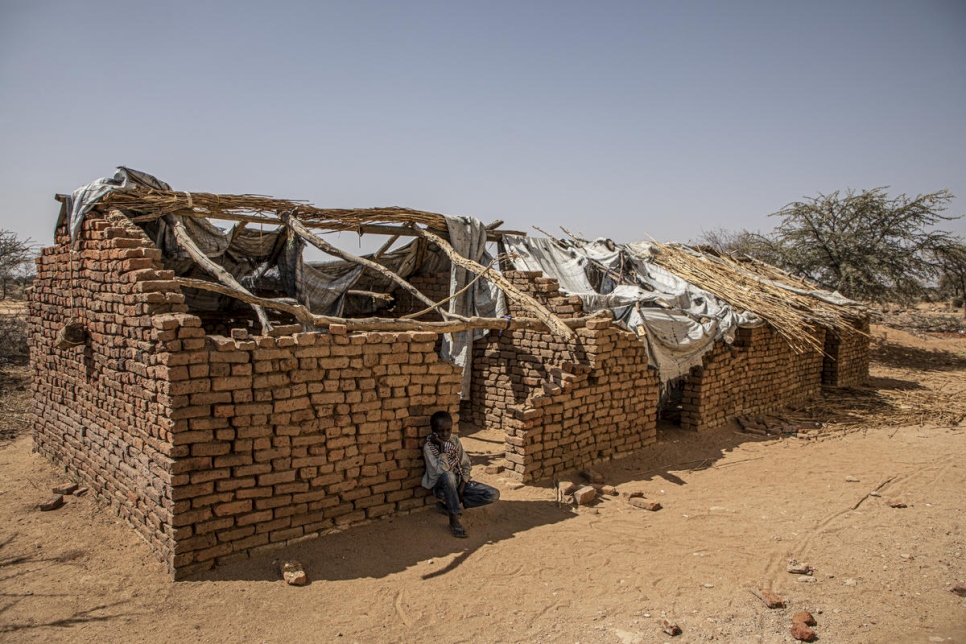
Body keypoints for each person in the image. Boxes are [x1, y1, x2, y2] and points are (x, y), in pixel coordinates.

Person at [421, 410, 500, 538]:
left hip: (458, 482)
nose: (445, 434)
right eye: (441, 431)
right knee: (448, 476)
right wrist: (442, 446)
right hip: (441, 487)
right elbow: (442, 470)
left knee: (493, 494)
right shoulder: (429, 448)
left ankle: (452, 504)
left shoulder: (454, 441)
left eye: (448, 430)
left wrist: (462, 486)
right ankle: (454, 518)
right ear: (434, 430)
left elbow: (465, 465)